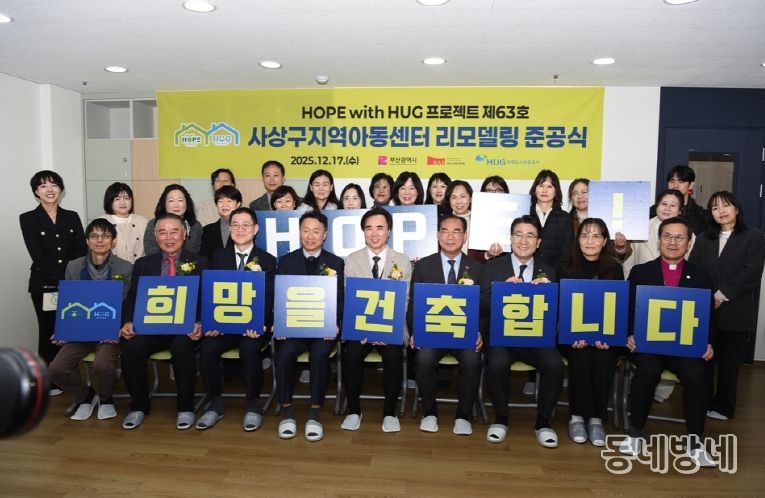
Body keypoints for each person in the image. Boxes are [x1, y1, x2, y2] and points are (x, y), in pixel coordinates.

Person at [623, 216, 716, 467]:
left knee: (698, 375)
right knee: (647, 371)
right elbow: (627, 311)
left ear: (689, 242)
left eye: (679, 237)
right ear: (658, 240)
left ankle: (695, 441)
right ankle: (635, 433)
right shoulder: (641, 272)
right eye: (667, 236)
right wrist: (629, 335)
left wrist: (708, 343)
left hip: (684, 347)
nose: (673, 242)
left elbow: (709, 316)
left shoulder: (701, 276)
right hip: (647, 345)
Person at [479, 215, 564, 448]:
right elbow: (480, 305)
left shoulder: (548, 271)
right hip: (502, 338)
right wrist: (502, 292)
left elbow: (557, 312)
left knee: (555, 365)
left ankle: (543, 423)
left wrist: (548, 295)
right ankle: (501, 418)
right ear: (510, 238)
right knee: (497, 363)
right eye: (518, 235)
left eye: (530, 236)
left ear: (538, 242)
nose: (523, 241)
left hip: (536, 339)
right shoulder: (493, 266)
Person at [120, 213, 208, 430]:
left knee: (181, 347)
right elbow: (132, 298)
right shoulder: (143, 264)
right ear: (155, 236)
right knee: (132, 348)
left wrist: (200, 322)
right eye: (162, 232)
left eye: (174, 231)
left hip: (185, 329)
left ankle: (185, 407)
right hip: (151, 328)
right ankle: (139, 406)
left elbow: (207, 298)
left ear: (184, 234)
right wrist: (127, 322)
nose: (169, 238)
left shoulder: (201, 262)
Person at [196, 207, 277, 431]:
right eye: (235, 225)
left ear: (256, 229)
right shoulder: (217, 257)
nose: (240, 230)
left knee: (249, 348)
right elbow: (208, 292)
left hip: (254, 326)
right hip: (223, 326)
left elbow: (270, 296)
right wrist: (210, 323)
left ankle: (252, 405)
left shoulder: (267, 260)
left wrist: (261, 323)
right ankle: (214, 404)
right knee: (208, 347)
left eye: (246, 225)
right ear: (229, 228)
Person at [689, 191, 765, 421]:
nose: (721, 211)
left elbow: (751, 274)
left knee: (729, 365)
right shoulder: (704, 238)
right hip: (706, 310)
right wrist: (707, 296)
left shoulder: (754, 237)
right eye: (715, 208)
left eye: (726, 205)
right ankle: (701, 403)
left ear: (736, 208)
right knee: (704, 361)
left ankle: (724, 407)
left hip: (736, 310)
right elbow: (694, 269)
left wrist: (721, 295)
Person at [48, 219, 133, 420]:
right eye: (94, 236)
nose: (100, 240)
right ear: (87, 241)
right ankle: (86, 396)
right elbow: (68, 301)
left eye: (105, 236)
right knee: (56, 370)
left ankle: (106, 399)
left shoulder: (125, 268)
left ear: (113, 241)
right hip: (81, 332)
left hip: (111, 332)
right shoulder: (74, 267)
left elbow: (128, 303)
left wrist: (119, 328)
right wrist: (63, 330)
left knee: (102, 365)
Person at [408, 214, 484, 435]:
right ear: (437, 235)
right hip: (432, 332)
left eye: (456, 231)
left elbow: (483, 307)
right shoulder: (423, 266)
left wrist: (479, 332)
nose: (450, 237)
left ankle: (463, 415)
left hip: (464, 334)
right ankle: (430, 412)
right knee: (424, 358)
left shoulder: (477, 268)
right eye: (445, 231)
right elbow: (413, 304)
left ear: (465, 236)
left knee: (473, 359)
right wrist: (415, 332)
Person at [274, 211, 344, 442]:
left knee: (320, 355)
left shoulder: (336, 263)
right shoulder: (286, 261)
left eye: (316, 231)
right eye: (305, 231)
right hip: (294, 328)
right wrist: (279, 324)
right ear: (299, 233)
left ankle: (314, 413)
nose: (310, 236)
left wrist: (334, 324)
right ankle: (287, 410)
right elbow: (279, 296)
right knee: (284, 353)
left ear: (325, 235)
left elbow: (340, 298)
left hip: (323, 329)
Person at [341, 207, 412, 433]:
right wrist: (364, 329)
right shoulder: (352, 260)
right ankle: (353, 410)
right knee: (351, 353)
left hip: (391, 327)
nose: (374, 233)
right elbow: (349, 298)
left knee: (392, 355)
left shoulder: (402, 261)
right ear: (363, 231)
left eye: (380, 228)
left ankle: (390, 412)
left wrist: (385, 330)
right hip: (360, 328)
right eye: (369, 228)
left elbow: (404, 301)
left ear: (388, 231)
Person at [556, 218, 624, 446]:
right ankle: (576, 416)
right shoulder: (565, 266)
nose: (590, 241)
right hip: (572, 336)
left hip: (604, 337)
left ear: (605, 241)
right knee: (582, 355)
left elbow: (618, 308)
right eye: (585, 235)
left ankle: (596, 419)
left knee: (604, 357)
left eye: (596, 236)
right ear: (578, 240)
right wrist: (571, 334)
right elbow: (559, 305)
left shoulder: (615, 269)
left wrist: (608, 336)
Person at [20, 170, 87, 395]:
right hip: (44, 284)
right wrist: (62, 281)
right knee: (48, 330)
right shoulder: (28, 218)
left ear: (61, 189)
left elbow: (80, 250)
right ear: (36, 192)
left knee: (71, 329)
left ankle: (69, 375)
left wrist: (71, 281)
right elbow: (37, 254)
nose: (49, 190)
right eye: (43, 186)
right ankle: (49, 379)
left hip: (73, 282)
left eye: (54, 185)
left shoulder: (72, 216)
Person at [623, 189, 695, 280]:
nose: (667, 208)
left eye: (673, 205)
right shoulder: (641, 227)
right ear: (657, 206)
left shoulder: (687, 232)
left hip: (678, 280)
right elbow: (629, 261)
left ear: (680, 210)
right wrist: (628, 282)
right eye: (663, 204)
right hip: (644, 281)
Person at [567, 178, 631, 262]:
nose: (580, 196)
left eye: (584, 192)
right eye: (575, 193)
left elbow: (625, 253)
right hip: (574, 266)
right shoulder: (566, 221)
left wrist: (620, 248)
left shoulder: (611, 219)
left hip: (604, 266)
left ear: (594, 194)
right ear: (571, 198)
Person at [528, 169, 574, 270]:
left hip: (555, 274)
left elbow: (567, 252)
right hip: (527, 273)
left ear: (556, 191)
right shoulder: (525, 215)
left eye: (549, 186)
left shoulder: (565, 218)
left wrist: (551, 274)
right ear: (535, 189)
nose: (544, 190)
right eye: (541, 186)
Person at [143, 184, 203, 256]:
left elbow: (197, 253)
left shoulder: (195, 225)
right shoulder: (153, 224)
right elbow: (150, 253)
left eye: (180, 200)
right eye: (171, 201)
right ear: (164, 204)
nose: (176, 205)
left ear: (187, 203)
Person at [99, 182, 148, 263]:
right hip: (112, 268)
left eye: (126, 198)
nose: (123, 203)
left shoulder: (142, 221)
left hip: (140, 268)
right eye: (117, 199)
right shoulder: (102, 222)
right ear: (110, 202)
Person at [649, 165, 707, 235]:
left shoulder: (701, 215)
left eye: (681, 181)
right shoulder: (653, 211)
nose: (675, 186)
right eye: (672, 181)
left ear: (691, 185)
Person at [472, 176, 510, 262]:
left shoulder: (515, 215)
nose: (493, 194)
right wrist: (488, 255)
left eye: (498, 190)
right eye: (489, 191)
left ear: (506, 193)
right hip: (482, 265)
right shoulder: (476, 216)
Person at [199, 185, 242, 259]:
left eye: (229, 201)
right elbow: (203, 257)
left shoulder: (246, 228)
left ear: (238, 204)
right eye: (221, 201)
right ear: (216, 205)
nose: (225, 205)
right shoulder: (206, 230)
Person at [444, 180, 473, 255]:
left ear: (470, 199)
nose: (458, 202)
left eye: (463, 196)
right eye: (454, 197)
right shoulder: (443, 222)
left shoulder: (480, 221)